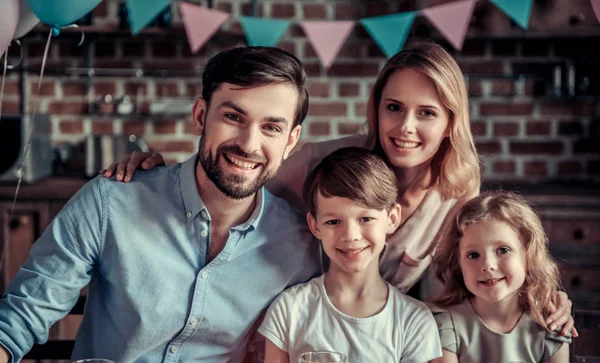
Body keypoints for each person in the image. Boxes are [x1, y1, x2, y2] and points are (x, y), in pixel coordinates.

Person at [102, 41, 576, 334]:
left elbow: (479, 274)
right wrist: (156, 172)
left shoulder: (457, 193)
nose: (405, 126)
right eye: (394, 107)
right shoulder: (321, 163)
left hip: (380, 340)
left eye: (426, 113)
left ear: (452, 121)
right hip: (287, 327)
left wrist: (543, 298)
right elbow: (232, 175)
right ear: (376, 108)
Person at [0, 46, 323, 363]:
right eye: (233, 117)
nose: (249, 144)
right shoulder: (112, 201)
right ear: (201, 115)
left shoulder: (298, 244)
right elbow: (21, 314)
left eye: (271, 127)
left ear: (290, 140)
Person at [258, 147, 442, 363]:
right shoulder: (290, 310)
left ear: (392, 218)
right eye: (334, 222)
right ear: (315, 225)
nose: (351, 236)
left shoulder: (414, 321)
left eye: (365, 218)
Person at [429, 191, 570, 363]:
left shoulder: (550, 327)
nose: (487, 265)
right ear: (458, 265)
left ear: (528, 254)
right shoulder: (446, 327)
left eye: (503, 250)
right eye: (473, 255)